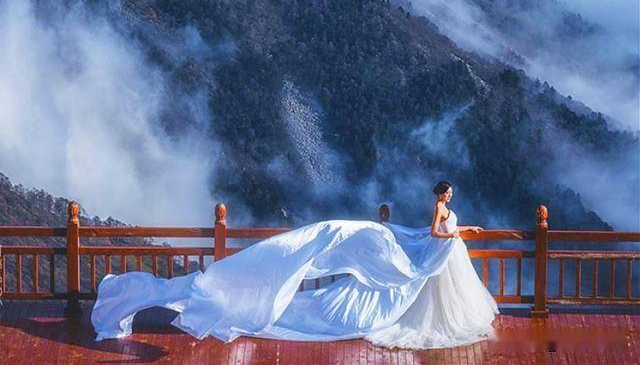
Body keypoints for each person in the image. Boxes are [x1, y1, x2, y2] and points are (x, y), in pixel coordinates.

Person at [92, 180, 498, 349]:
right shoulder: (439, 210)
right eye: (447, 191)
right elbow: (434, 233)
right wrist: (463, 233)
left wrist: (458, 233)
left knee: (434, 289)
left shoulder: (440, 209)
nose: (449, 194)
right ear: (443, 194)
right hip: (443, 247)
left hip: (442, 253)